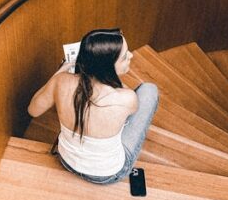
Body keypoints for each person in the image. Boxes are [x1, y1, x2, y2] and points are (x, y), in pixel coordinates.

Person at [27, 28, 159, 185]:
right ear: (107, 69)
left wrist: (61, 70)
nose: (131, 55)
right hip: (108, 174)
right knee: (149, 90)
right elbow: (133, 111)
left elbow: (32, 110)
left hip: (66, 161)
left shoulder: (60, 81)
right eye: (124, 57)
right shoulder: (126, 98)